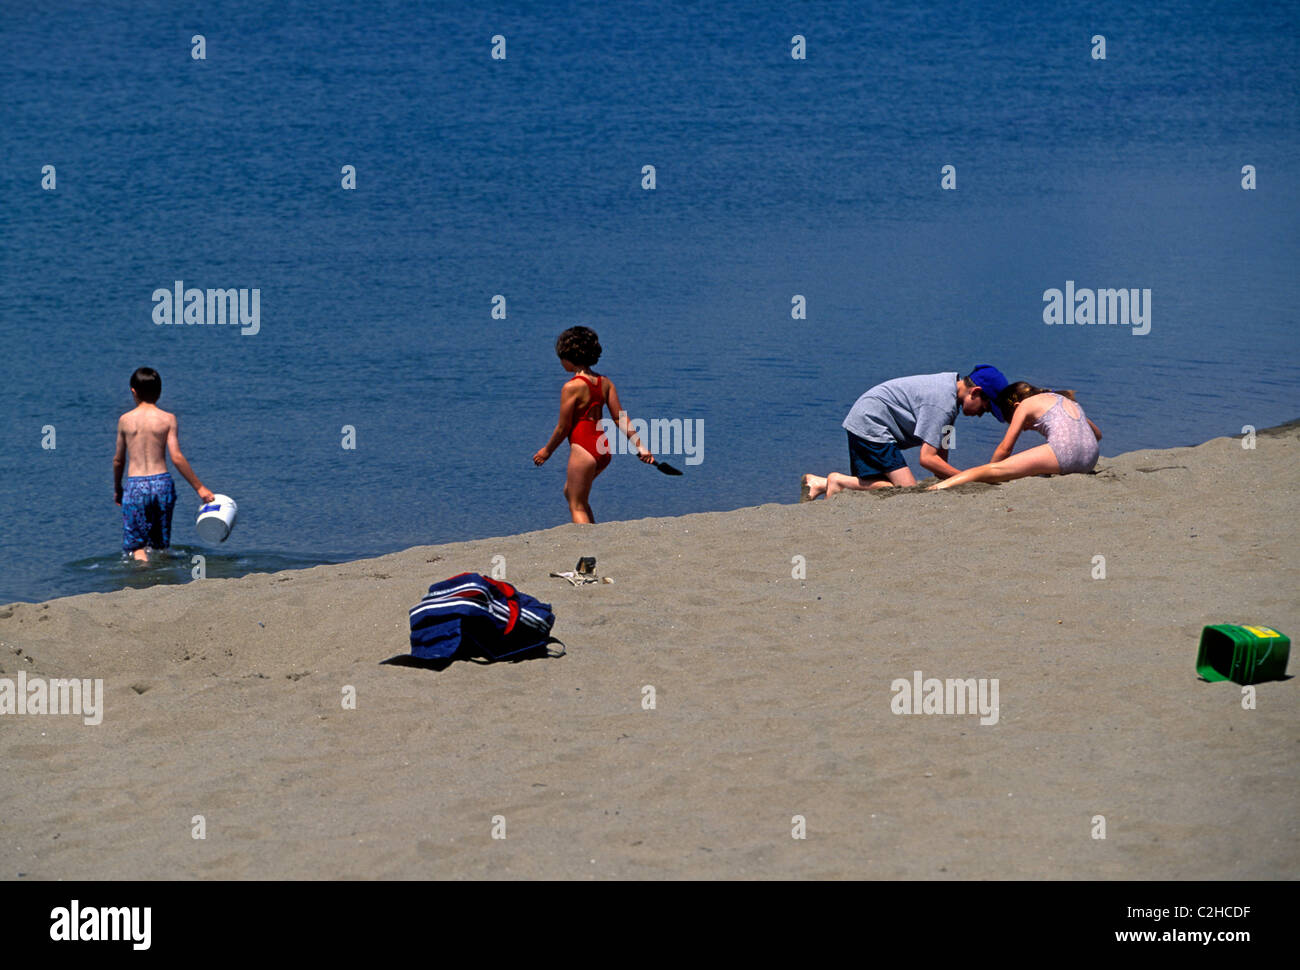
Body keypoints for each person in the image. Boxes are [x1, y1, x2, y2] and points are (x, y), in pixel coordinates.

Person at [801, 365, 1009, 499]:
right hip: (872, 425)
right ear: (976, 392)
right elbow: (927, 459)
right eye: (986, 408)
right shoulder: (943, 404)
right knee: (906, 491)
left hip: (866, 418)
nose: (982, 414)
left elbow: (940, 451)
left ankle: (819, 484)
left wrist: (948, 477)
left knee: (883, 485)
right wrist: (969, 477)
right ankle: (838, 482)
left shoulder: (950, 391)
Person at [533, 326, 655, 523]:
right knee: (572, 493)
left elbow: (563, 428)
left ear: (568, 357)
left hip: (584, 449)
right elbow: (620, 418)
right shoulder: (605, 382)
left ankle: (587, 550)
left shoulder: (571, 387)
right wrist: (640, 447)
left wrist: (547, 451)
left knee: (576, 504)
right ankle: (594, 537)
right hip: (602, 450)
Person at [113, 367, 215, 561]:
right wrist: (200, 488)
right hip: (162, 484)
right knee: (160, 545)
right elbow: (176, 456)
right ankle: (163, 576)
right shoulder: (168, 419)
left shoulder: (125, 420)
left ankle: (143, 574)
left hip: (136, 485)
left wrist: (118, 487)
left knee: (137, 546)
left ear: (133, 391)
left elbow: (119, 459)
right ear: (159, 392)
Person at [927, 381, 1101, 490]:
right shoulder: (1065, 400)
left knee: (989, 470)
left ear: (1016, 405)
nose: (1025, 429)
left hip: (1064, 452)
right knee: (1032, 468)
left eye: (1012, 419)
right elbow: (1097, 434)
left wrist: (989, 471)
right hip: (1090, 458)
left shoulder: (1025, 404)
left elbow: (1005, 448)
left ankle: (936, 488)